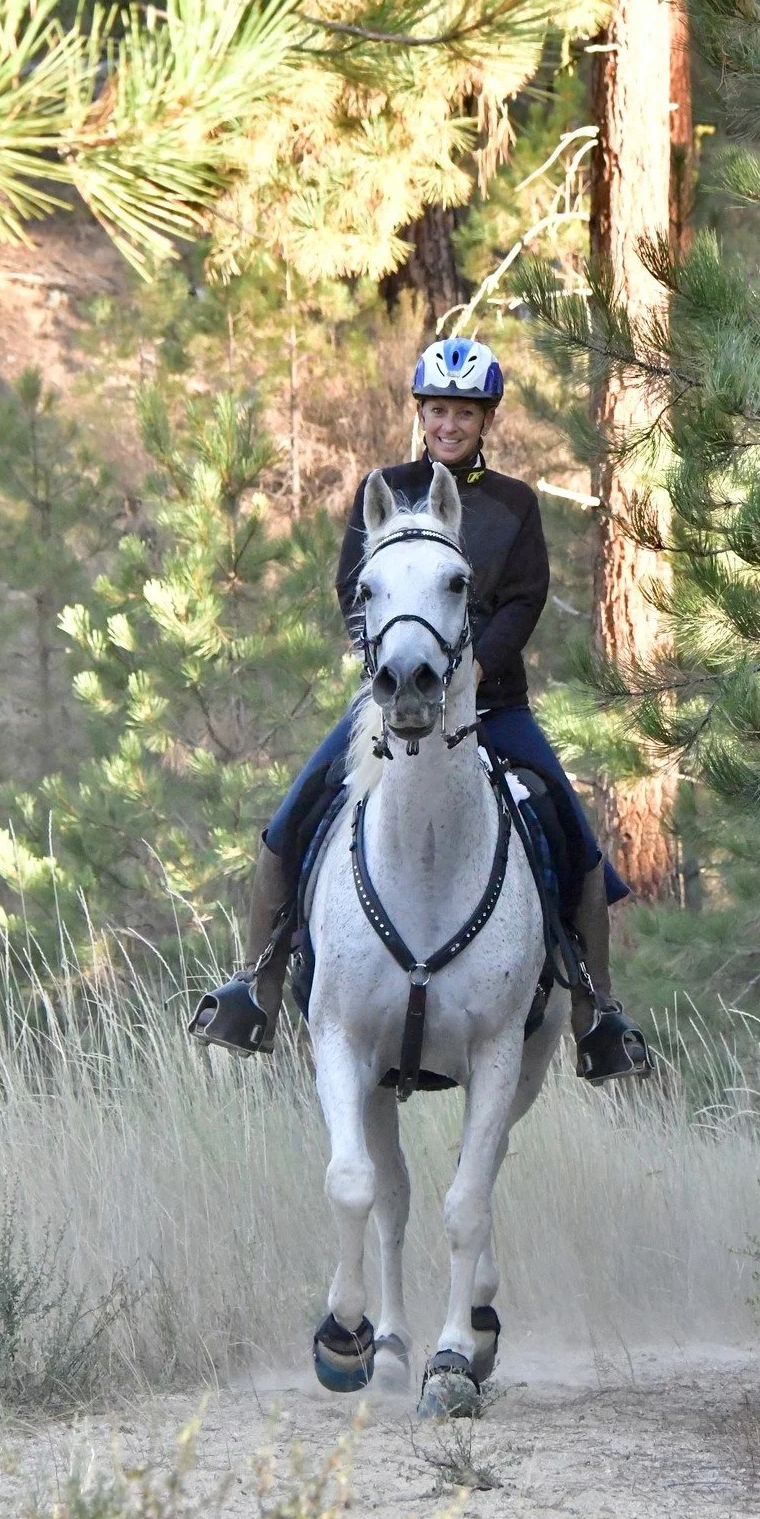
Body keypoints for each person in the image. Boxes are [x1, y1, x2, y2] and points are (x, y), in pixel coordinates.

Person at [192, 338, 649, 1083]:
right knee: (286, 826)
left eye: (464, 413)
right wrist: (382, 664)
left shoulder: (514, 505)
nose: (449, 425)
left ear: (485, 418)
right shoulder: (384, 489)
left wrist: (476, 666)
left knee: (577, 837)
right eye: (438, 410)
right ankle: (258, 985)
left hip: (489, 705)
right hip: (390, 700)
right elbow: (353, 587)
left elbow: (527, 598)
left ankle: (597, 1012)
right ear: (421, 412)